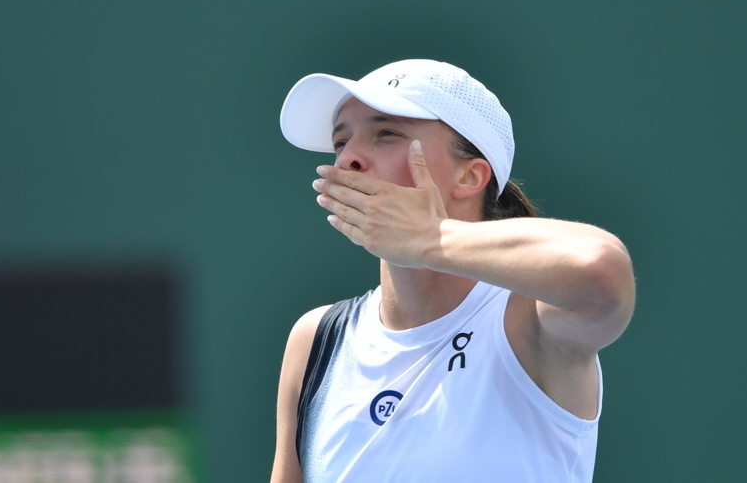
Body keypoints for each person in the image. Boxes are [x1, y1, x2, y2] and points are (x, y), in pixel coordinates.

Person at [271, 59, 635, 483]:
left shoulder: (528, 319)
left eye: (386, 133)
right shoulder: (316, 339)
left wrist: (432, 238)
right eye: (341, 141)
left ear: (470, 176)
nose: (347, 157)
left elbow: (601, 271)